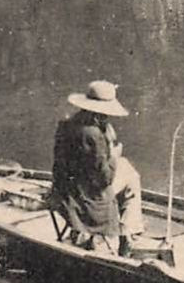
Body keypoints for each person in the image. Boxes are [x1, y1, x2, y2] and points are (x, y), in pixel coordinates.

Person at [49, 80, 145, 256]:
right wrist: (114, 155)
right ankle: (129, 235)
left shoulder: (67, 124)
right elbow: (105, 179)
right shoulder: (94, 135)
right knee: (132, 178)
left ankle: (126, 234)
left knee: (127, 169)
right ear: (100, 113)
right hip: (86, 198)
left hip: (63, 190)